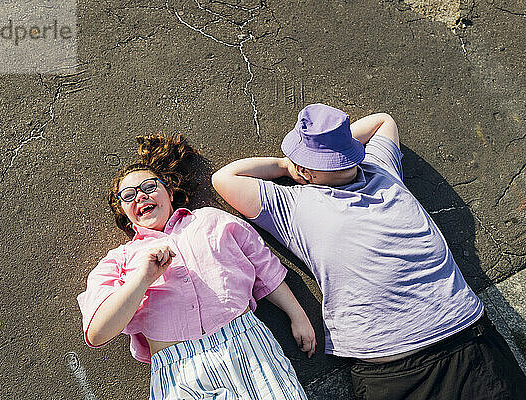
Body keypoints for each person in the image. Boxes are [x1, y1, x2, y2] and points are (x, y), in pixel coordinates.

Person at [212, 103, 526, 400]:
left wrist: (285, 166)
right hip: (468, 343)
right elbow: (381, 121)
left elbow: (225, 178)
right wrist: (339, 148)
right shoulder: (382, 170)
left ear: (304, 170)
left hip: (392, 368)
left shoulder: (294, 206)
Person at [77, 134, 315, 400]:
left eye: (149, 186)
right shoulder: (117, 261)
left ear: (169, 191)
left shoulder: (210, 220)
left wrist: (298, 315)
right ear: (123, 211)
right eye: (128, 195)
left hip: (248, 347)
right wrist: (141, 280)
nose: (140, 196)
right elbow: (97, 333)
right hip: (179, 371)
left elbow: (264, 267)